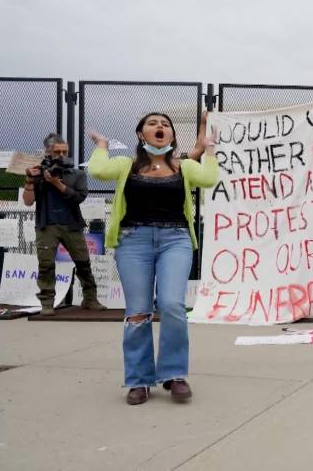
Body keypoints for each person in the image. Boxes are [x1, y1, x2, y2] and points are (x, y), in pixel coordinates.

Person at [87, 111, 218, 405]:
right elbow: (97, 171)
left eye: (165, 125)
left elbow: (209, 178)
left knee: (172, 305)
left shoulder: (183, 167)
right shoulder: (126, 165)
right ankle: (139, 379)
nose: (159, 127)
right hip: (134, 242)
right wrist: (102, 145)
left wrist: (209, 148)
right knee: (138, 311)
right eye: (152, 123)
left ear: (171, 136)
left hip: (176, 240)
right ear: (140, 134)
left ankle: (174, 374)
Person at [22, 133, 105, 316]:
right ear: (47, 152)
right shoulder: (37, 173)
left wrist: (57, 184)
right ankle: (47, 303)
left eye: (64, 151)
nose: (61, 155)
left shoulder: (77, 174)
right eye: (57, 151)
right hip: (46, 225)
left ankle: (90, 298)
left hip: (71, 224)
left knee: (83, 263)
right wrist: (29, 180)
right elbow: (28, 201)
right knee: (45, 264)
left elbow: (79, 197)